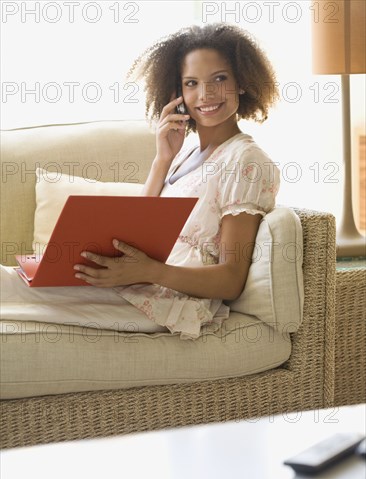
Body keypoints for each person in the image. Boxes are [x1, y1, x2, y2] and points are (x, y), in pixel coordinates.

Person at [0, 23, 280, 341]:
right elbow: (140, 228)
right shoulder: (185, 154)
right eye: (192, 83)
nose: (206, 94)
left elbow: (231, 279)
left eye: (220, 78)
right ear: (178, 95)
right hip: (137, 283)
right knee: (11, 282)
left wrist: (148, 271)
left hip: (170, 301)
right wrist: (162, 160)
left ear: (242, 82)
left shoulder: (246, 161)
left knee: (10, 290)